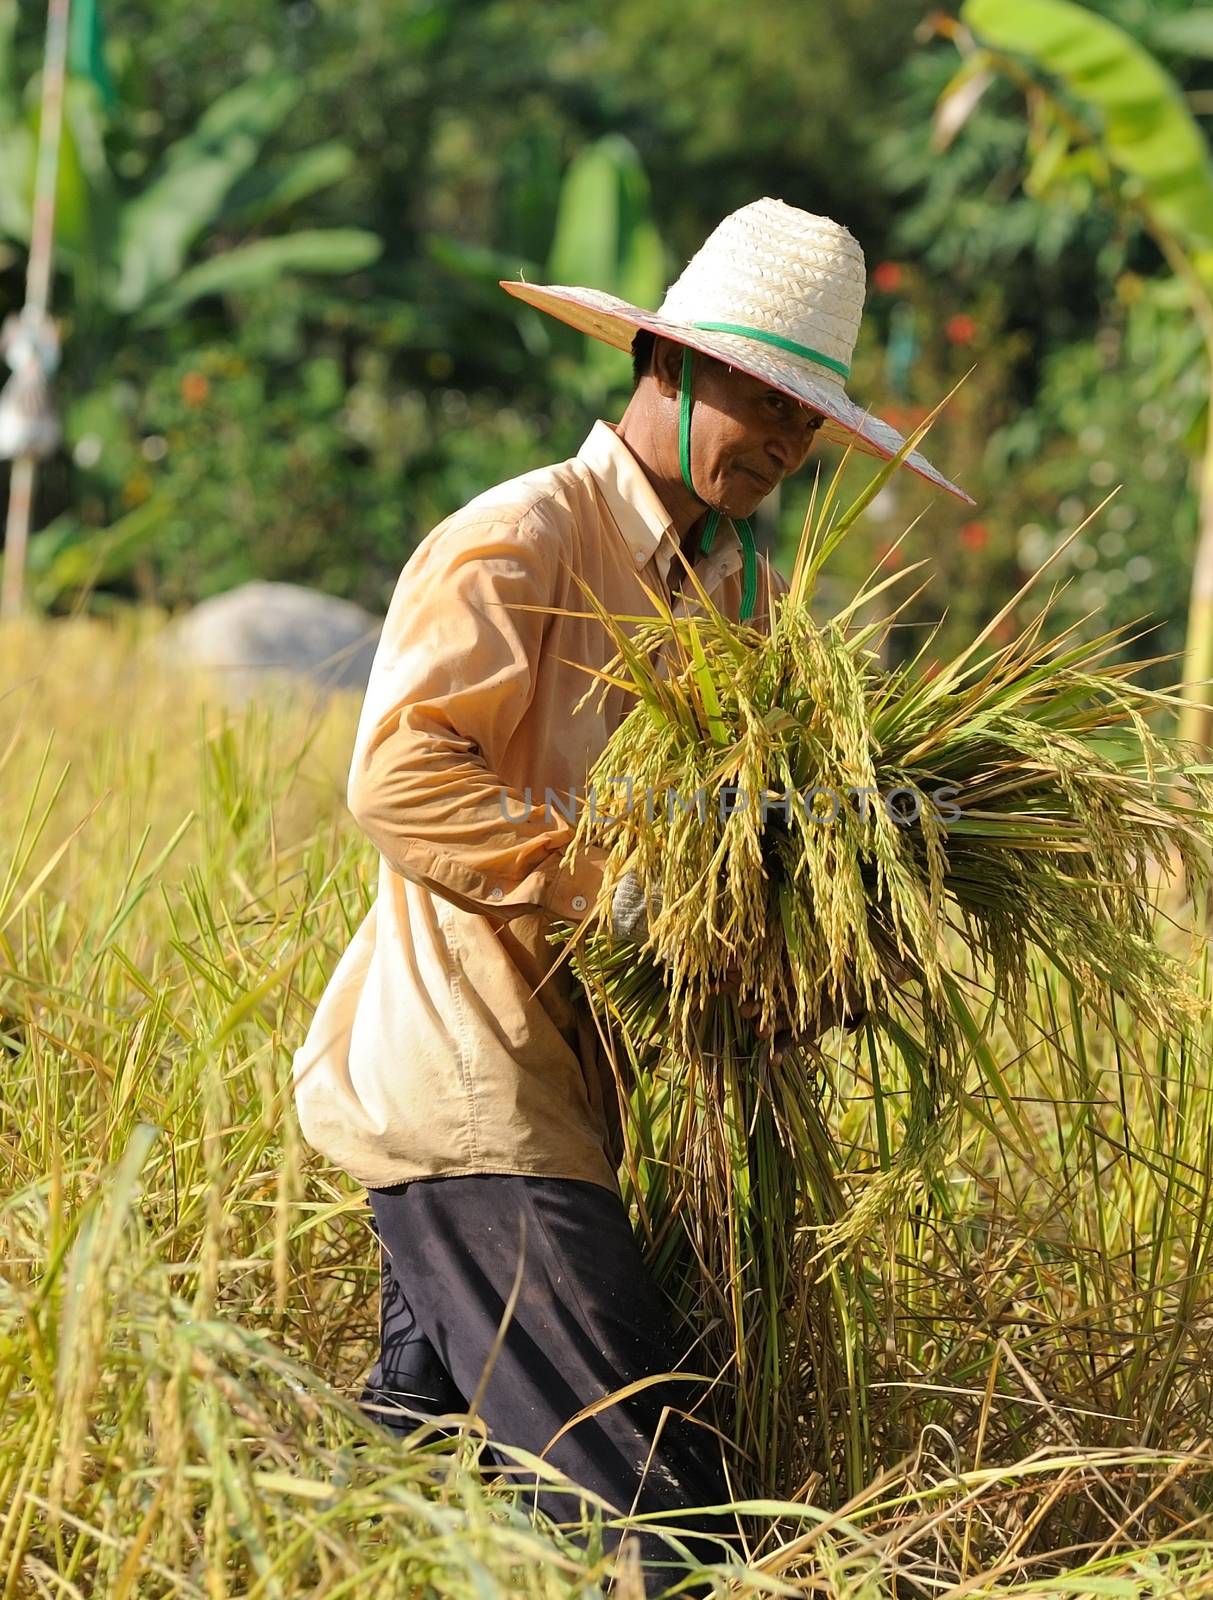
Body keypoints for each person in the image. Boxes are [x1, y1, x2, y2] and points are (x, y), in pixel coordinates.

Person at [291, 196, 970, 1595]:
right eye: (763, 402)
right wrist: (618, 893)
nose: (786, 444)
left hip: (572, 1087)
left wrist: (819, 942)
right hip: (474, 1090)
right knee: (649, 1522)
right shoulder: (522, 538)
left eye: (807, 421)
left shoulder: (733, 596)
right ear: (663, 364)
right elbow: (402, 781)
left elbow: (719, 848)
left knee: (403, 1502)